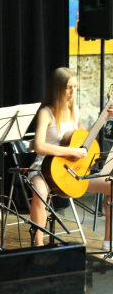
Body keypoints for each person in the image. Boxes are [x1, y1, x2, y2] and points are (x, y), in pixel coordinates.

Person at [28, 67, 113, 247]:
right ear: (57, 88)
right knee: (40, 193)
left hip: (73, 172)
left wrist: (104, 119)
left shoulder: (75, 110)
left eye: (75, 87)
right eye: (68, 87)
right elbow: (39, 146)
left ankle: (108, 241)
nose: (73, 92)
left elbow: (83, 139)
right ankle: (38, 245)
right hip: (44, 167)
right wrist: (71, 152)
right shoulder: (46, 113)